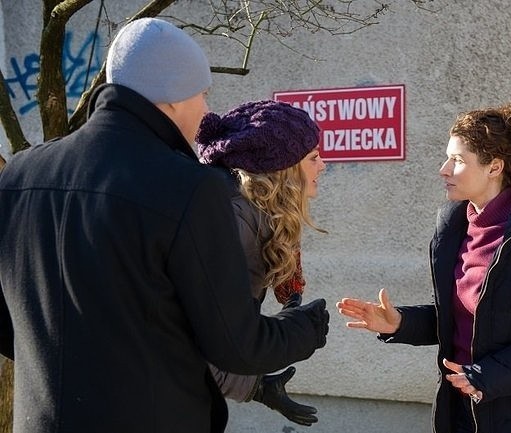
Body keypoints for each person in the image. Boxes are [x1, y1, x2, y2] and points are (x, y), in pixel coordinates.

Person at [0, 18, 329, 433]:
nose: (207, 111)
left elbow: (8, 322)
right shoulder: (190, 188)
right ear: (173, 96)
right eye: (203, 93)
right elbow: (237, 345)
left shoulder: (18, 175)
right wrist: (308, 326)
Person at [337, 103, 511, 433]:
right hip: (462, 411)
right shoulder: (454, 228)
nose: (443, 169)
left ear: (494, 167)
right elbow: (463, 316)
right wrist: (399, 322)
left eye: (457, 160)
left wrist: (486, 376)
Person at [195, 100, 327, 426]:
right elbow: (196, 339)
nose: (322, 165)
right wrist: (290, 335)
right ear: (282, 169)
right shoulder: (235, 222)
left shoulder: (253, 215)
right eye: (312, 158)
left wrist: (258, 387)